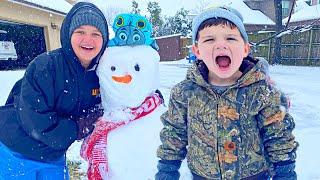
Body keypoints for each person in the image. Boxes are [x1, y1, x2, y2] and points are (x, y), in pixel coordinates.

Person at [155, 6, 298, 180]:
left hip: (254, 175)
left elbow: (278, 136)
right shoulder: (184, 92)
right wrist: (166, 171)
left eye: (230, 38)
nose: (221, 44)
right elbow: (174, 133)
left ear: (245, 49)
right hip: (203, 175)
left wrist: (285, 173)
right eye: (209, 40)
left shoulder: (262, 91)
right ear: (197, 51)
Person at [0, 2, 108, 179]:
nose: (88, 39)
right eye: (80, 31)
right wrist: (77, 127)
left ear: (104, 40)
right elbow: (36, 122)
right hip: (16, 149)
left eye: (95, 34)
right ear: (68, 34)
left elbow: (126, 90)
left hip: (53, 154)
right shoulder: (45, 67)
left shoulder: (102, 73)